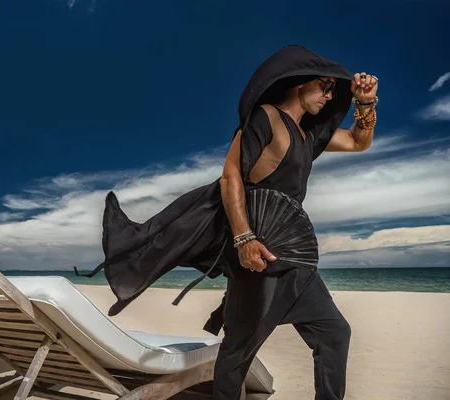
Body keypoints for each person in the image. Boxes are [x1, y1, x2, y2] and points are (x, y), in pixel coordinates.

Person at [75, 45, 379, 399]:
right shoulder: (266, 117)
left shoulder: (308, 135)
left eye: (332, 90)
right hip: (258, 256)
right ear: (299, 83)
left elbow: (359, 142)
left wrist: (365, 103)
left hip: (295, 258)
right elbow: (231, 175)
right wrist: (244, 238)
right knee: (239, 352)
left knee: (334, 332)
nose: (329, 96)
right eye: (324, 86)